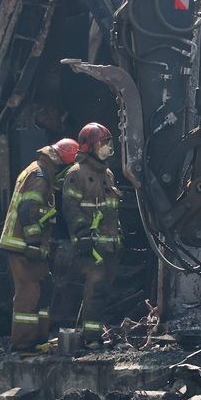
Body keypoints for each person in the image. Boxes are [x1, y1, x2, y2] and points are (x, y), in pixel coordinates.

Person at [0, 138, 80, 353]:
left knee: (43, 289)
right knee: (28, 293)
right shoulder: (40, 176)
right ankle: (24, 345)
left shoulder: (42, 172)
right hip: (23, 246)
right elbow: (28, 209)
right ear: (62, 165)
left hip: (29, 246)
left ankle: (39, 339)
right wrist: (34, 242)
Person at [62, 123, 122, 350]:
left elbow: (111, 210)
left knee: (102, 291)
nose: (105, 147)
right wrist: (82, 233)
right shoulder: (76, 173)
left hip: (110, 245)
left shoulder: (108, 174)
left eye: (107, 142)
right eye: (101, 143)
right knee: (97, 288)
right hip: (90, 245)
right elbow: (69, 207)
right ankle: (92, 339)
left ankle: (82, 333)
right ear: (88, 147)